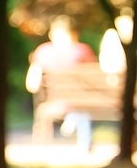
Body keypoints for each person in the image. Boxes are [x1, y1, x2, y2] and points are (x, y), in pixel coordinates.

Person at [26, 16, 97, 148]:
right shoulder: (82, 51)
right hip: (81, 102)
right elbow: (94, 80)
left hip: (54, 102)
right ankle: (82, 141)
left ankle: (45, 143)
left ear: (52, 34)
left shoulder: (43, 51)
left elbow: (31, 84)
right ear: (75, 33)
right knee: (81, 111)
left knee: (49, 108)